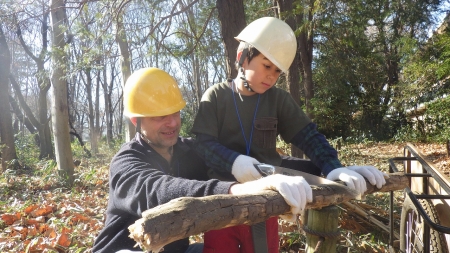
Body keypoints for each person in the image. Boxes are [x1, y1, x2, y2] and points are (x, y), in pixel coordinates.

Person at [191, 17, 388, 253]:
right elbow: (202, 144)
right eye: (266, 66)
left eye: (278, 71)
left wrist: (333, 167)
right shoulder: (215, 96)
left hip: (267, 202)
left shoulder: (278, 99)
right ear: (242, 57)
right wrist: (234, 163)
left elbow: (309, 137)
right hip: (221, 204)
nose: (272, 77)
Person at [92, 67, 314, 253]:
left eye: (175, 113)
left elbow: (248, 160)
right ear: (135, 121)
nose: (172, 123)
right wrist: (236, 190)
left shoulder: (190, 150)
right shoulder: (126, 162)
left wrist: (325, 169)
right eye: (160, 117)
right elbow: (159, 191)